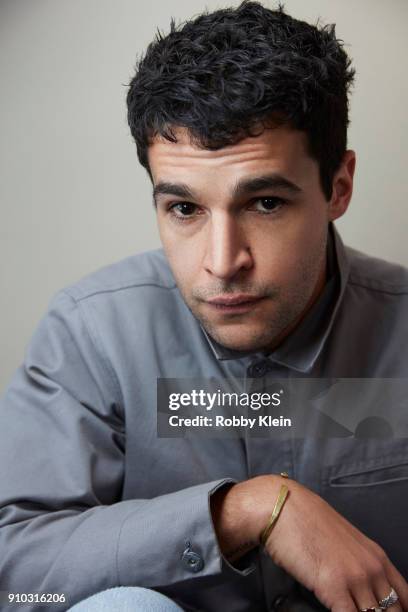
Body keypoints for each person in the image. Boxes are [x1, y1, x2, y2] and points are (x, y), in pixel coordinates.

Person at [0, 2, 407, 611]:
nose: (221, 262)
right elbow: (17, 578)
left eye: (265, 203)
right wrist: (245, 511)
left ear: (337, 188)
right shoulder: (93, 332)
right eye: (185, 209)